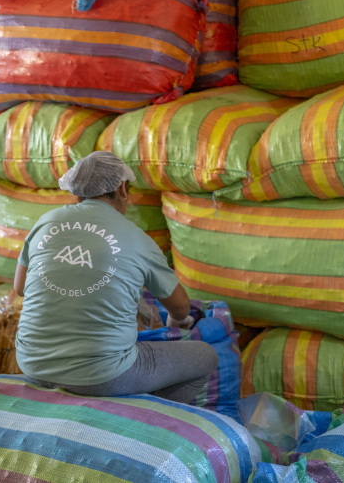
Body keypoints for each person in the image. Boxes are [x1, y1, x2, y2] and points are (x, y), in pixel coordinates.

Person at [14, 152, 218, 403]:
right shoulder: (138, 238)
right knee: (205, 356)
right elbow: (180, 306)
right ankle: (158, 428)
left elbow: (20, 287)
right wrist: (178, 322)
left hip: (32, 365)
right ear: (122, 188)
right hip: (103, 376)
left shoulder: (46, 222)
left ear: (77, 192)